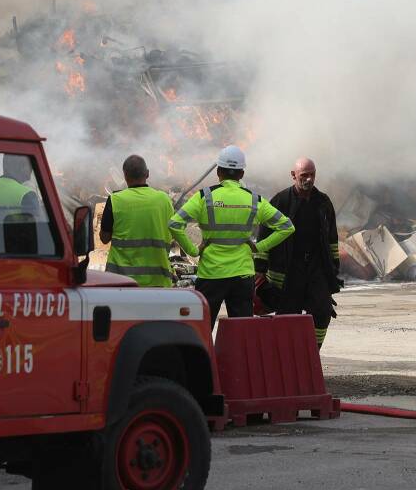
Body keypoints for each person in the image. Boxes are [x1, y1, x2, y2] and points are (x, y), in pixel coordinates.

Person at [170, 145, 295, 329]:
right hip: (242, 275)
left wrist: (193, 250)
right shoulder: (254, 200)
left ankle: (203, 358)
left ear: (218, 172)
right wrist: (259, 246)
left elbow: (174, 224)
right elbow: (286, 227)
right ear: (242, 174)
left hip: (211, 273)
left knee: (202, 329)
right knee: (242, 331)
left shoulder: (205, 197)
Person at [255, 157, 342, 350]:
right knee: (287, 315)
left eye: (312, 175)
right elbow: (263, 236)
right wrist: (259, 270)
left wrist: (333, 268)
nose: (309, 179)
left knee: (322, 311)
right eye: (304, 175)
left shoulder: (323, 202)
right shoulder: (280, 201)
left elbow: (332, 238)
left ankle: (312, 351)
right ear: (293, 175)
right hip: (288, 269)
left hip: (316, 268)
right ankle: (286, 356)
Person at [99, 155, 177, 287]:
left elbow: (104, 238)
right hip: (158, 280)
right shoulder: (164, 200)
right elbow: (173, 234)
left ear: (125, 176)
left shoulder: (115, 200)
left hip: (121, 281)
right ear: (147, 174)